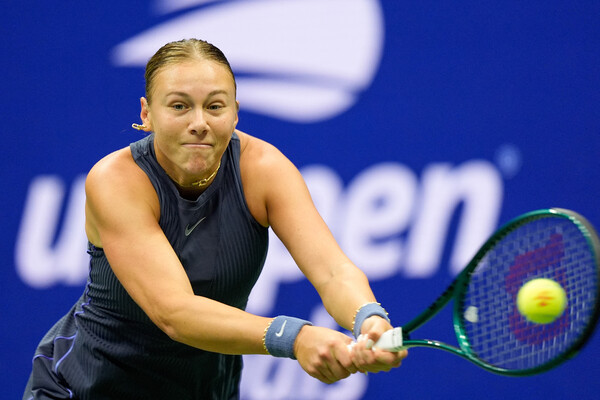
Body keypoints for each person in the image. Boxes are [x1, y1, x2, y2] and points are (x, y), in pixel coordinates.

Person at [23, 38, 407, 400]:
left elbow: (333, 272)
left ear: (235, 112)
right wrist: (295, 337)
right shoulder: (116, 180)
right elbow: (175, 312)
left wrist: (368, 317)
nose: (199, 122)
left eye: (215, 106)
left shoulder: (265, 169)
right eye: (179, 106)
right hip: (86, 387)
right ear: (147, 114)